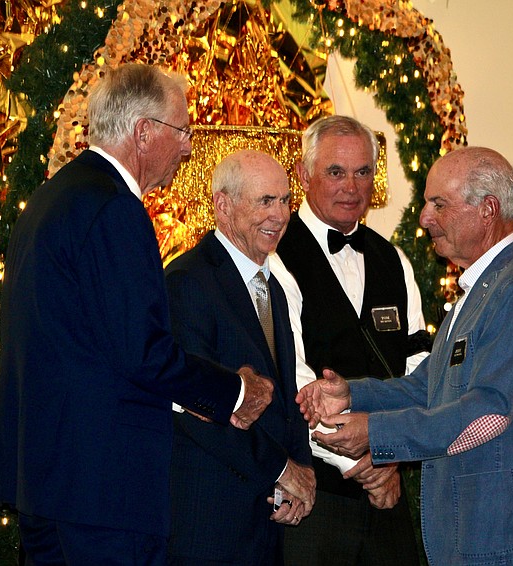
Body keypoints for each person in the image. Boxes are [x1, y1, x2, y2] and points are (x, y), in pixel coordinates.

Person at [0, 64, 275, 565]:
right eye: (182, 131)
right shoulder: (114, 207)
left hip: (48, 484)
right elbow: (142, 354)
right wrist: (236, 392)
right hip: (105, 491)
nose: (187, 147)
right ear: (144, 133)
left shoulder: (50, 200)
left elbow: (92, 352)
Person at [297, 146, 513, 566]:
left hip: (504, 539)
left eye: (438, 204)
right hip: (474, 535)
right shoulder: (481, 289)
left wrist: (376, 433)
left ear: (488, 210)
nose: (424, 218)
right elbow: (428, 387)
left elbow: (489, 414)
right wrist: (351, 396)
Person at [270, 115, 429, 565]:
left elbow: (419, 369)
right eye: (335, 172)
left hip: (389, 490)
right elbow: (291, 376)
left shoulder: (393, 259)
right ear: (304, 174)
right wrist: (361, 463)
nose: (351, 186)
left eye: (362, 172)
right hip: (314, 497)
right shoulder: (275, 256)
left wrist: (390, 449)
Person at [164, 149, 315, 565]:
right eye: (265, 201)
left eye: (285, 200)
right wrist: (283, 469)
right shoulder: (187, 281)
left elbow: (285, 400)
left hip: (267, 523)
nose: (280, 215)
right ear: (223, 206)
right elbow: (196, 409)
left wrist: (298, 473)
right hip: (210, 523)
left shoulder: (276, 290)